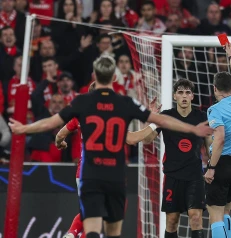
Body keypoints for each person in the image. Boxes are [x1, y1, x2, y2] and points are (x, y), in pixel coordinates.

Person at [8, 55, 213, 238]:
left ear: (95, 76)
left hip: (89, 172)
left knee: (92, 224)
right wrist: (192, 130)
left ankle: (71, 234)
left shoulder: (82, 104)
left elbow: (52, 123)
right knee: (113, 230)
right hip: (114, 174)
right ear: (114, 79)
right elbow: (163, 121)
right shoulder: (124, 103)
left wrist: (23, 128)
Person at [58, 82, 161, 238]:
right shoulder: (111, 116)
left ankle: (71, 234)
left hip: (83, 172)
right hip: (105, 171)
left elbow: (60, 134)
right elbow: (132, 139)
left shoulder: (81, 114)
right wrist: (154, 124)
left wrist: (61, 143)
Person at [128, 78, 212, 238]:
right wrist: (147, 118)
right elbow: (146, 139)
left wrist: (213, 167)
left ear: (193, 96)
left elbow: (209, 147)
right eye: (180, 92)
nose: (184, 96)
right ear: (175, 96)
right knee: (172, 221)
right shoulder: (166, 116)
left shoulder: (201, 117)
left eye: (188, 92)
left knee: (196, 217)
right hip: (172, 176)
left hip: (195, 176)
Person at [203, 43, 231, 238]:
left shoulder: (215, 110)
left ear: (214, 88)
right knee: (227, 211)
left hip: (221, 164)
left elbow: (219, 138)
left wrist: (211, 167)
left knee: (215, 215)